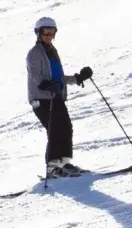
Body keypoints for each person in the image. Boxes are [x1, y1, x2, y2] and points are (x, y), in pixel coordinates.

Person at [26, 17, 93, 179]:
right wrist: (45, 84)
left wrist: (78, 78)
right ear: (38, 33)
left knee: (66, 127)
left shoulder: (52, 52)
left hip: (56, 97)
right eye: (45, 32)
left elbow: (59, 77)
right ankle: (52, 167)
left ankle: (64, 163)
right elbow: (35, 75)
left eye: (52, 31)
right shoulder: (34, 53)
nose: (49, 35)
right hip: (41, 99)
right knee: (54, 128)